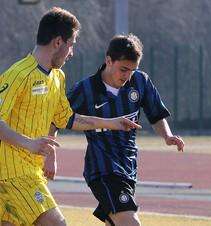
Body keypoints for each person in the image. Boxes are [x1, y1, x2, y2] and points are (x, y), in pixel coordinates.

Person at [0, 8, 141, 226]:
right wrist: (30, 144)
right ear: (58, 42)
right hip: (12, 173)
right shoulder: (19, 74)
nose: (72, 52)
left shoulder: (57, 77)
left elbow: (69, 119)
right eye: (71, 43)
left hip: (30, 171)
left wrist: (112, 123)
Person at [66, 34, 185, 226]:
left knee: (115, 222)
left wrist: (168, 136)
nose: (127, 75)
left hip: (129, 166)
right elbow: (59, 118)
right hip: (102, 168)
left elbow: (156, 114)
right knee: (131, 223)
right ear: (108, 61)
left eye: (132, 70)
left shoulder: (140, 81)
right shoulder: (85, 89)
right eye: (123, 69)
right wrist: (51, 153)